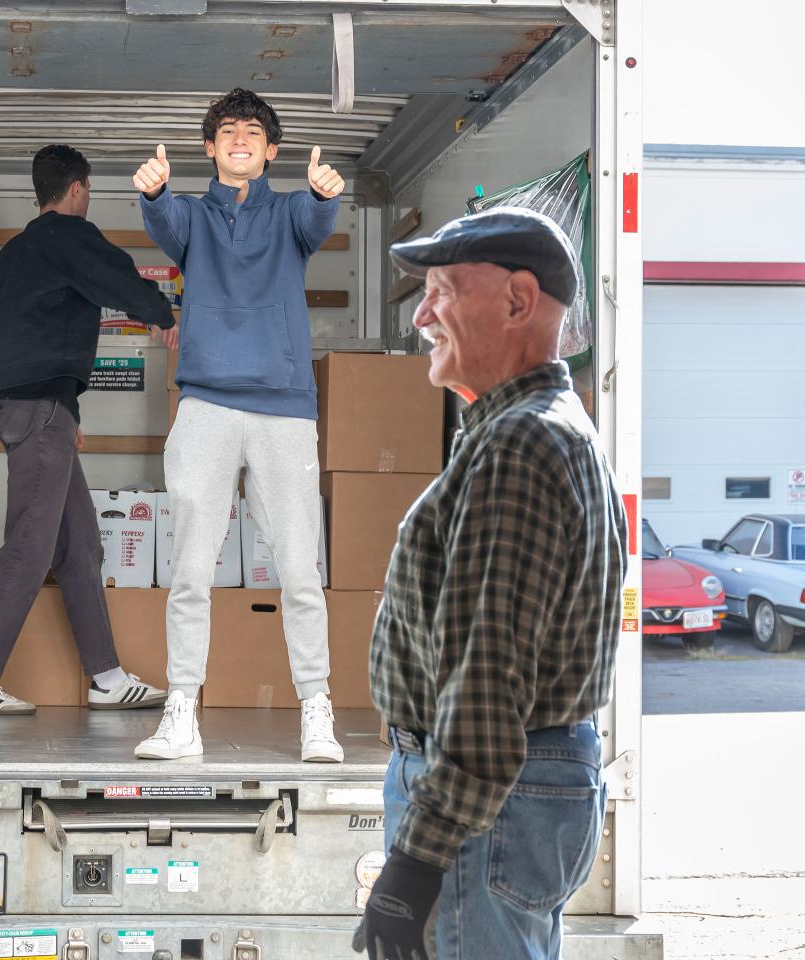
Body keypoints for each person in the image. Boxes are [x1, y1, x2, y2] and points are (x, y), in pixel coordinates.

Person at [352, 208, 628, 960]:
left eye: (442, 290)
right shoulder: (526, 429)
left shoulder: (521, 444)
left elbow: (486, 676)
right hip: (507, 793)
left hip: (484, 805)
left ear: (516, 301)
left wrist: (415, 863)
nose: (421, 316)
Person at [131, 89, 347, 763]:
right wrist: (155, 191)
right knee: (190, 570)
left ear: (271, 150)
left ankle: (318, 713)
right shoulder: (191, 216)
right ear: (211, 148)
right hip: (205, 405)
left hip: (285, 406)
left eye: (253, 132)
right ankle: (180, 714)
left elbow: (318, 220)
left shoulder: (290, 213)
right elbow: (165, 224)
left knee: (299, 571)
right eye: (228, 131)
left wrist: (323, 191)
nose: (241, 138)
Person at [0, 144, 175, 716]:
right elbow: (118, 280)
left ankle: (106, 676)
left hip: (31, 406)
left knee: (80, 545)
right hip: (42, 408)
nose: (88, 199)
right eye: (89, 191)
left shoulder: (8, 259)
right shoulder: (70, 237)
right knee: (30, 542)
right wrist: (167, 315)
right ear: (77, 189)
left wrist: (48, 401)